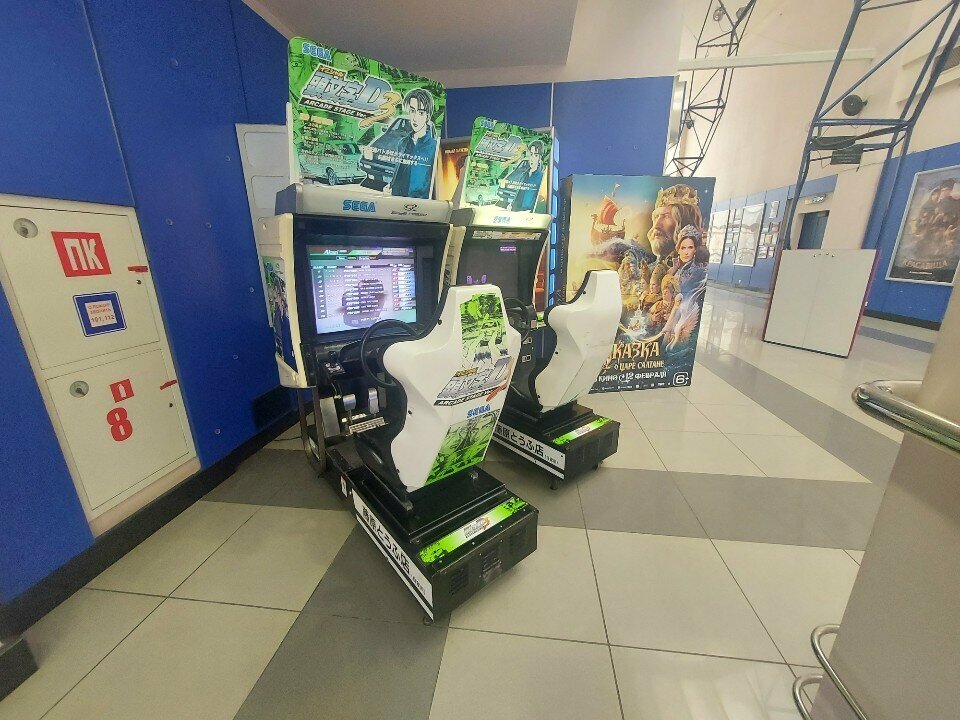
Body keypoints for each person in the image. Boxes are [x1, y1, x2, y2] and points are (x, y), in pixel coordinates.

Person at [386, 88, 437, 199]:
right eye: (412, 111)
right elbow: (399, 171)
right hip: (398, 201)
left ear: (427, 116)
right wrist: (391, 185)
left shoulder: (434, 147)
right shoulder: (403, 143)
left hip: (421, 204)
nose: (415, 118)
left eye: (421, 112)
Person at [509, 140, 545, 212]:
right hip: (517, 211)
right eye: (531, 154)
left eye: (536, 155)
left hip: (528, 213)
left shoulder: (541, 178)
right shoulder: (524, 174)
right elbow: (519, 193)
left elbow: (541, 199)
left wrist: (531, 211)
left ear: (539, 158)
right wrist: (512, 205)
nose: (532, 158)